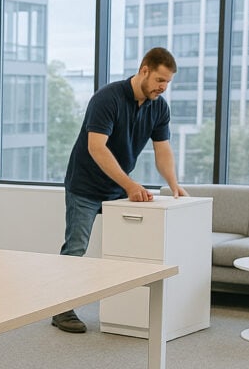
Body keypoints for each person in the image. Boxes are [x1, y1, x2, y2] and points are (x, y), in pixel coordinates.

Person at [51, 47, 189, 334]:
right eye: (159, 80)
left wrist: (174, 184)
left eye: (167, 83)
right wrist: (130, 184)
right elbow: (96, 147)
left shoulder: (159, 107)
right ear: (144, 70)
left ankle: (127, 307)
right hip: (86, 185)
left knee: (127, 248)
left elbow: (162, 150)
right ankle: (60, 310)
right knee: (76, 247)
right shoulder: (108, 98)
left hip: (118, 187)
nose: (162, 88)